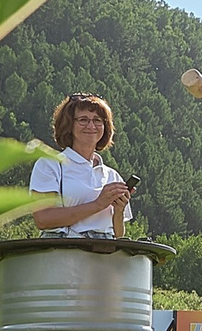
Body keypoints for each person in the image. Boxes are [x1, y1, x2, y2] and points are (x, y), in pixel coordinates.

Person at [28, 93, 132, 237]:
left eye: (97, 120)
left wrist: (119, 211)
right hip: (63, 251)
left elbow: (118, 235)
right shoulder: (50, 165)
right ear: (69, 125)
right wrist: (98, 204)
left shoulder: (112, 175)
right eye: (83, 120)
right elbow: (43, 219)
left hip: (104, 254)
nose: (91, 126)